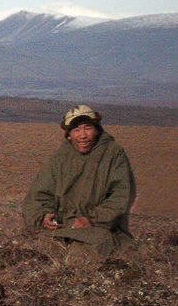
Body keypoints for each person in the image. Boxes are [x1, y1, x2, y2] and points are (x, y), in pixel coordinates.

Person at [22, 104, 135, 262]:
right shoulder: (60, 158)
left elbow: (121, 196)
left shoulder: (113, 154)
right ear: (68, 135)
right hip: (64, 226)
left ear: (96, 130)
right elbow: (38, 195)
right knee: (40, 242)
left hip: (100, 226)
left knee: (100, 240)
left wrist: (93, 219)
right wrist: (44, 216)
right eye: (76, 130)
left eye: (87, 128)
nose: (83, 135)